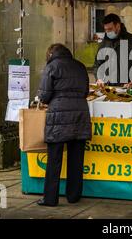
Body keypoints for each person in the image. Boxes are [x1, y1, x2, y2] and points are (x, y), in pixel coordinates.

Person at [37, 43, 91, 207]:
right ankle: (74, 196)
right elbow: (85, 91)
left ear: (51, 53)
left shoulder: (52, 67)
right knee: (76, 159)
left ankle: (50, 199)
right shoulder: (80, 66)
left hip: (59, 117)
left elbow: (44, 96)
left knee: (54, 159)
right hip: (80, 114)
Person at [93, 13, 132, 89]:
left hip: (129, 89)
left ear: (118, 26)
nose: (107, 32)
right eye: (105, 30)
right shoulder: (104, 44)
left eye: (110, 29)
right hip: (108, 89)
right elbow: (97, 64)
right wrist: (99, 78)